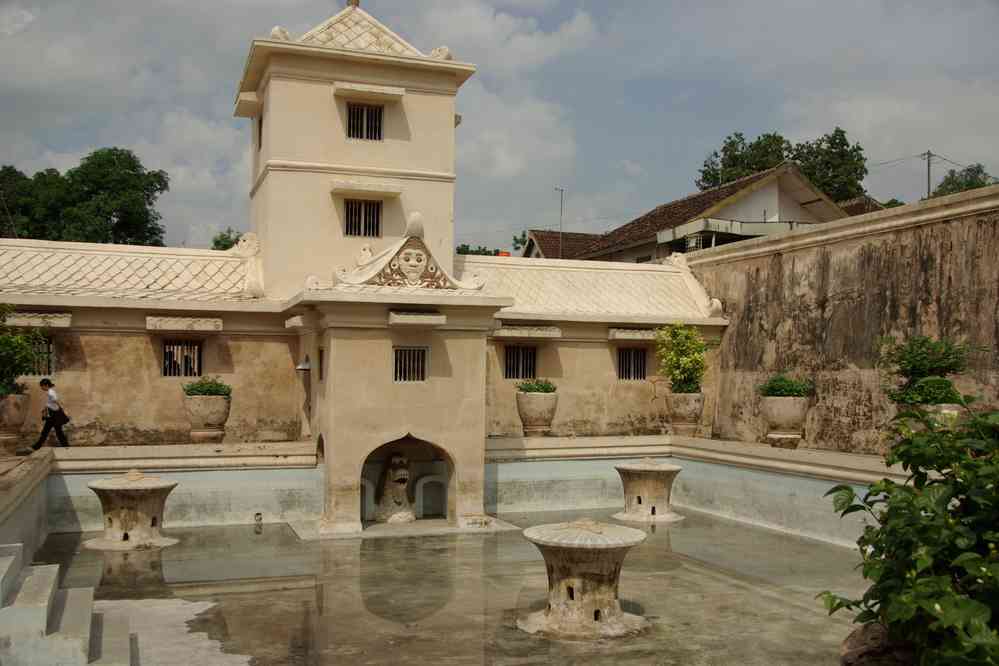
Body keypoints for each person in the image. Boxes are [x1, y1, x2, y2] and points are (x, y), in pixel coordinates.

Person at [32, 378, 70, 450]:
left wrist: (63, 409)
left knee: (47, 431)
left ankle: (36, 446)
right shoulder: (50, 392)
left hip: (54, 415)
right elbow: (51, 403)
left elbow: (56, 401)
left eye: (42, 386)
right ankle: (66, 445)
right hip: (53, 415)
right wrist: (45, 408)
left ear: (46, 385)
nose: (41, 388)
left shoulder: (50, 392)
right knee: (56, 431)